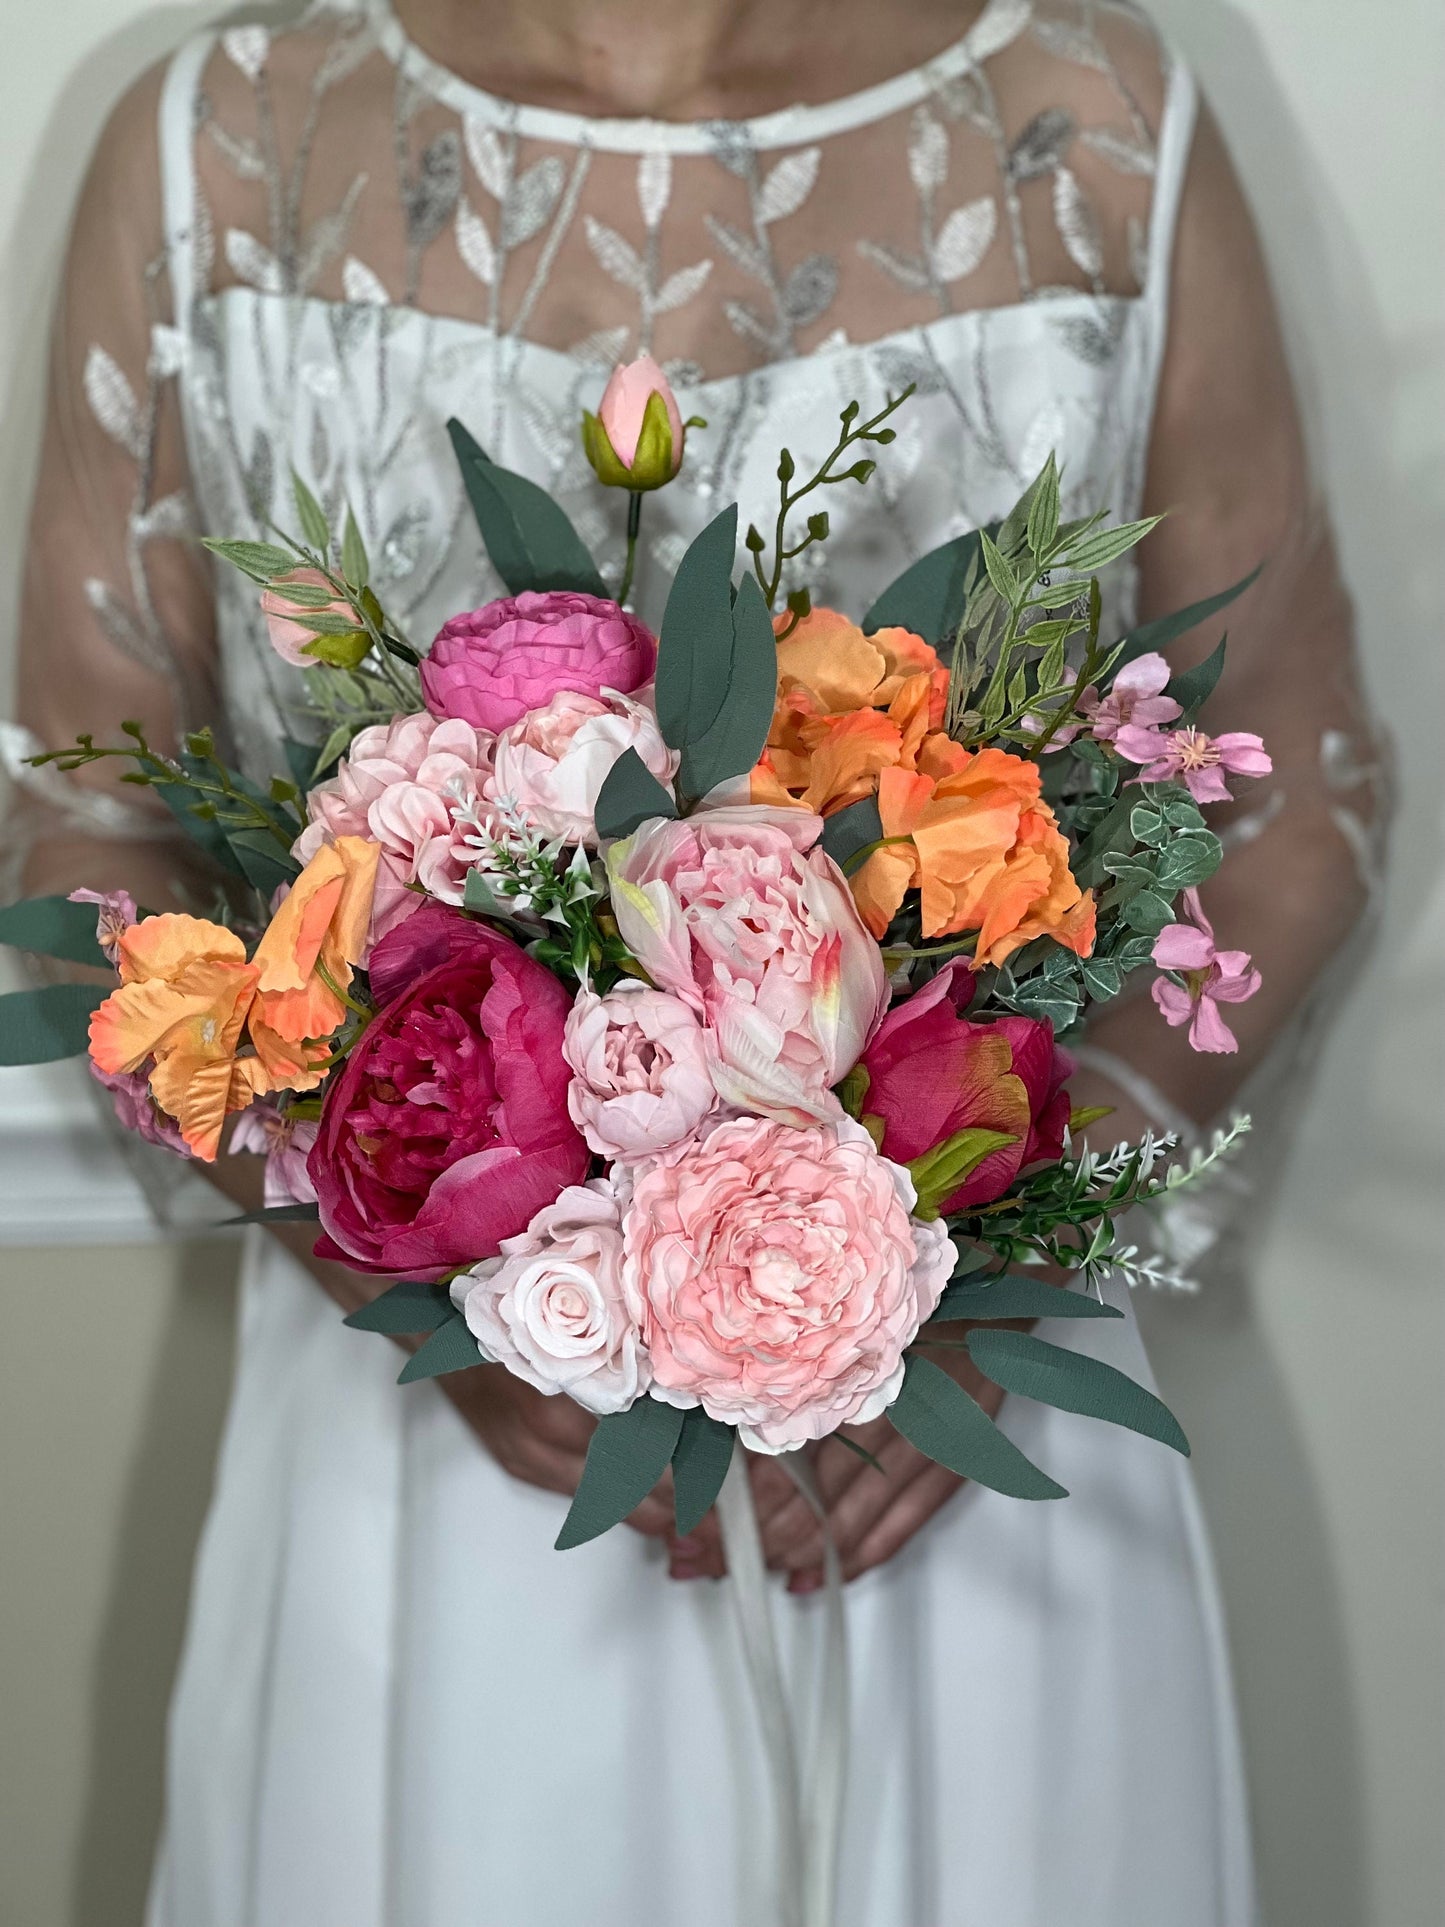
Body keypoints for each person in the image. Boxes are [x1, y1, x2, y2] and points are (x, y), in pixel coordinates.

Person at [9, 0, 1385, 1921]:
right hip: (447, 1442)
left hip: (962, 1465)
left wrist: (981, 1287)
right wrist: (376, 1244)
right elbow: (75, 820)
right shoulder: (218, 140)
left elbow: (1305, 786)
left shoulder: (1092, 118)